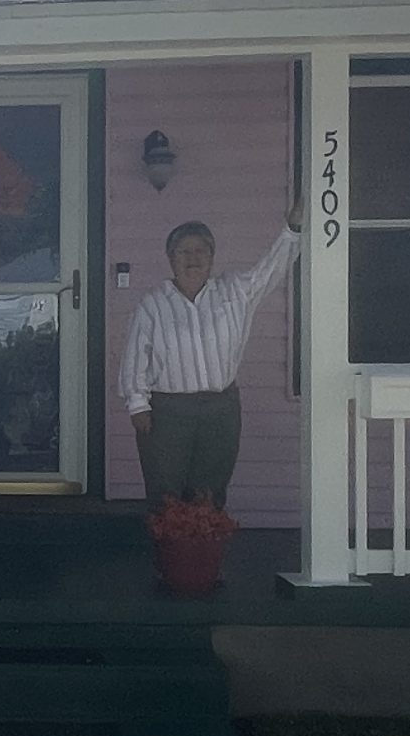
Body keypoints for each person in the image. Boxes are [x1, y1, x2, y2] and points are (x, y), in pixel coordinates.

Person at [120, 203, 301, 510]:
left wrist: (293, 229)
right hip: (168, 412)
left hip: (221, 409)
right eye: (184, 252)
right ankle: (169, 555)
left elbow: (271, 269)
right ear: (170, 259)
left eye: (201, 251)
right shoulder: (153, 304)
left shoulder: (235, 292)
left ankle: (204, 553)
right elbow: (136, 357)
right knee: (166, 491)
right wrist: (138, 405)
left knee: (211, 490)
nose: (193, 259)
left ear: (212, 257)